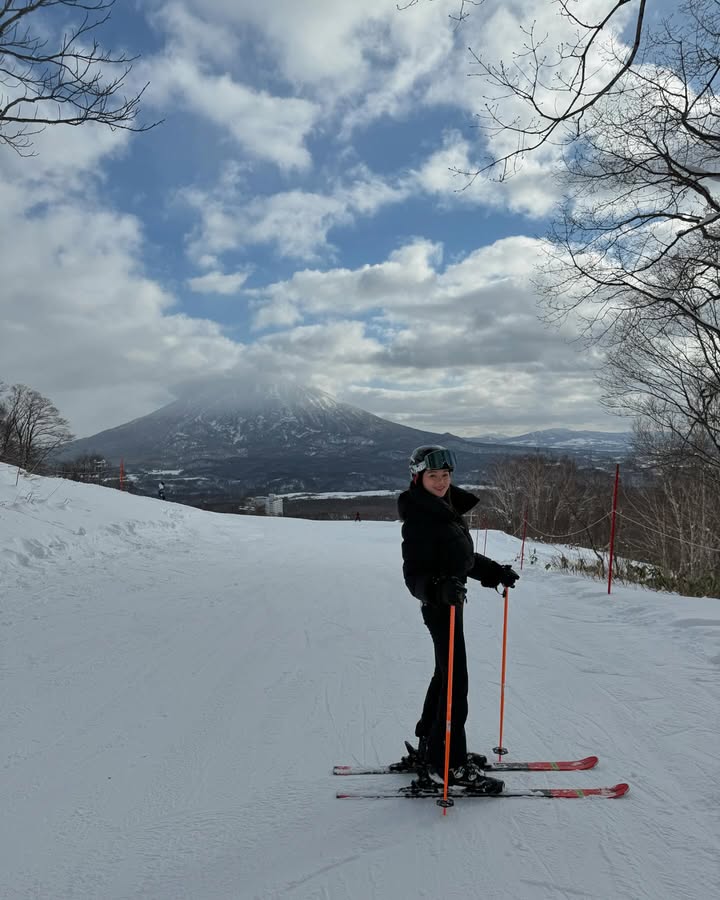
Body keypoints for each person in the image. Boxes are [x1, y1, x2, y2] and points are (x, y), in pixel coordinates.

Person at [398, 444, 519, 791]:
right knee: (456, 685)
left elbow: (460, 558)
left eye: (445, 475)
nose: (440, 481)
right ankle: (446, 764)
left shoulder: (444, 509)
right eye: (433, 476)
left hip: (452, 605)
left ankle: (430, 746)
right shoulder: (421, 519)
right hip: (440, 609)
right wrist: (438, 590)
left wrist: (494, 572)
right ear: (418, 478)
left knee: (445, 676)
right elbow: (413, 577)